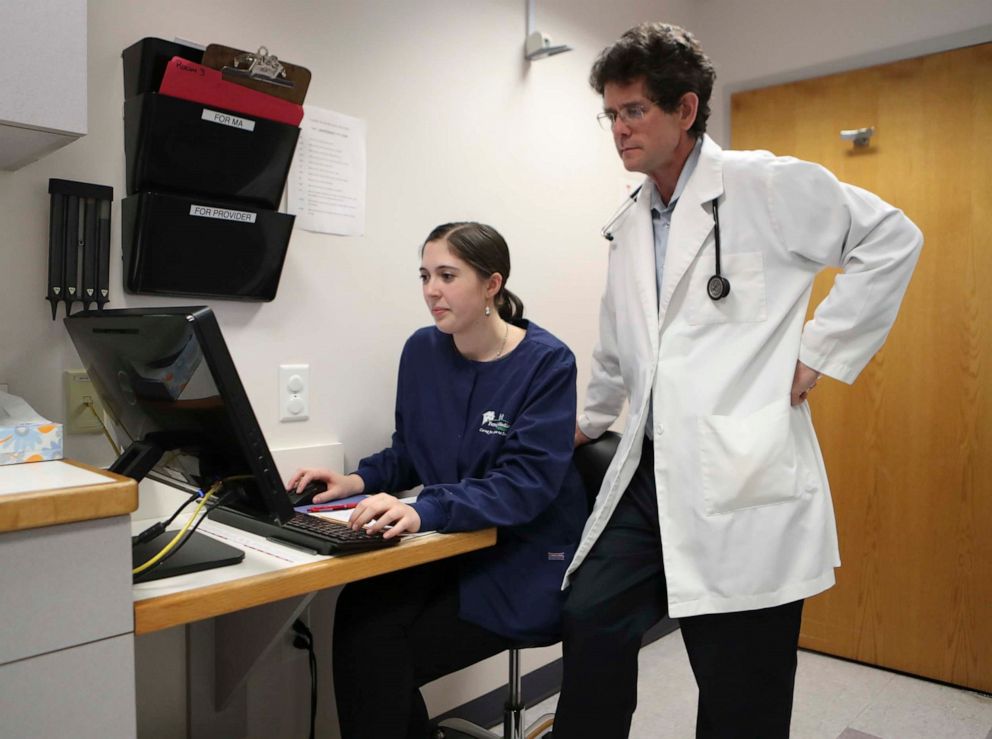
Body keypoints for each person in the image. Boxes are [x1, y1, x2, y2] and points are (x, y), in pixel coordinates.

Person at [552, 22, 923, 739]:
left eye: (635, 112)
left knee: (739, 686)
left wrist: (820, 349)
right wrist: (592, 417)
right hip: (650, 473)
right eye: (611, 114)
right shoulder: (629, 222)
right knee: (590, 613)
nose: (619, 130)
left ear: (685, 110)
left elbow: (892, 237)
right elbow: (616, 339)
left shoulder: (761, 183)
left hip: (740, 473)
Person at [287, 222, 587, 739]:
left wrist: (425, 509)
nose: (431, 290)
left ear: (492, 284)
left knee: (380, 654)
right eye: (425, 275)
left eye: (448, 275)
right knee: (359, 612)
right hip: (447, 546)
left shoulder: (547, 362)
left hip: (521, 556)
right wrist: (354, 480)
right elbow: (411, 450)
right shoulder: (424, 351)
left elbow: (524, 486)